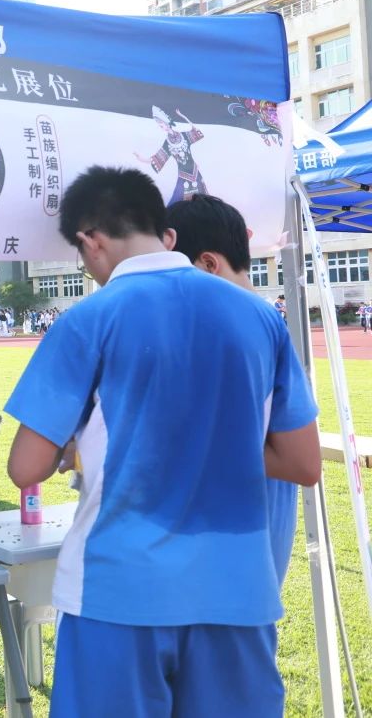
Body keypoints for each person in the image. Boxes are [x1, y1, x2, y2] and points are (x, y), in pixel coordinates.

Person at [5, 167, 320, 718]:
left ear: (90, 241)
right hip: (236, 589)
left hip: (118, 590)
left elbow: (25, 467)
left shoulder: (87, 320)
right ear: (166, 235)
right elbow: (303, 462)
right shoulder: (260, 317)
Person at [168, 194, 304, 591]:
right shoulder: (264, 326)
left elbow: (300, 462)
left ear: (208, 264)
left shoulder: (231, 331)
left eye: (174, 272)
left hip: (222, 555)